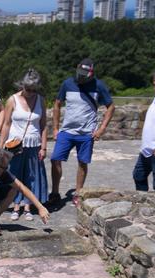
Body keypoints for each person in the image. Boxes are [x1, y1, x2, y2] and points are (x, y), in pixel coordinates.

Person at [49, 58, 115, 207]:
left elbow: (110, 107)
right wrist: (55, 128)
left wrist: (102, 129)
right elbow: (57, 104)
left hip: (86, 133)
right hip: (67, 131)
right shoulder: (68, 83)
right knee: (55, 159)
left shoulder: (99, 85)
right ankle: (55, 192)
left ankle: (78, 193)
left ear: (91, 74)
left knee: (82, 162)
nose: (80, 77)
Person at [0, 68, 48, 221]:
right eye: (28, 89)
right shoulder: (12, 100)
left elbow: (43, 125)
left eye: (33, 89)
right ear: (22, 86)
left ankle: (27, 205)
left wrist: (44, 147)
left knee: (31, 175)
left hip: (34, 144)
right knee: (15, 175)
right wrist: (1, 146)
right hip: (15, 145)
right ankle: (16, 204)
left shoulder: (40, 100)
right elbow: (6, 124)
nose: (30, 92)